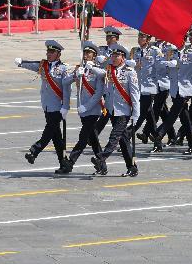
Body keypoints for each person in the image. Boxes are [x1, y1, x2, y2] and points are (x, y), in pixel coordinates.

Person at [14, 40, 73, 172]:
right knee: (56, 137)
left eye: (52, 52)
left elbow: (67, 88)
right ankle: (64, 164)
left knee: (49, 131)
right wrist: (21, 63)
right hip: (46, 105)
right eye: (48, 51)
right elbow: (32, 65)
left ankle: (35, 150)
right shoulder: (43, 65)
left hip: (58, 107)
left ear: (58, 54)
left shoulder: (64, 69)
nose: (49, 54)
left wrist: (66, 106)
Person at [87, 43, 141, 176]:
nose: (113, 57)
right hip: (111, 110)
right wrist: (92, 67)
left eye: (117, 55)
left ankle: (101, 158)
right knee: (123, 140)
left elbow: (135, 94)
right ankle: (132, 167)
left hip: (123, 110)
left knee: (115, 136)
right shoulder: (109, 69)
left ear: (123, 57)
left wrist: (136, 114)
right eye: (113, 55)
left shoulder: (130, 72)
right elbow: (102, 76)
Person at [61, 41, 106, 173]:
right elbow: (65, 82)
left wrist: (86, 107)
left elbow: (98, 93)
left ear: (94, 55)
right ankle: (102, 165)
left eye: (89, 53)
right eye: (85, 53)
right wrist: (75, 75)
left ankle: (70, 162)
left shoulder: (97, 71)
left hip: (93, 109)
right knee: (92, 138)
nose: (86, 55)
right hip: (82, 110)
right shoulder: (80, 68)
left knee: (83, 137)